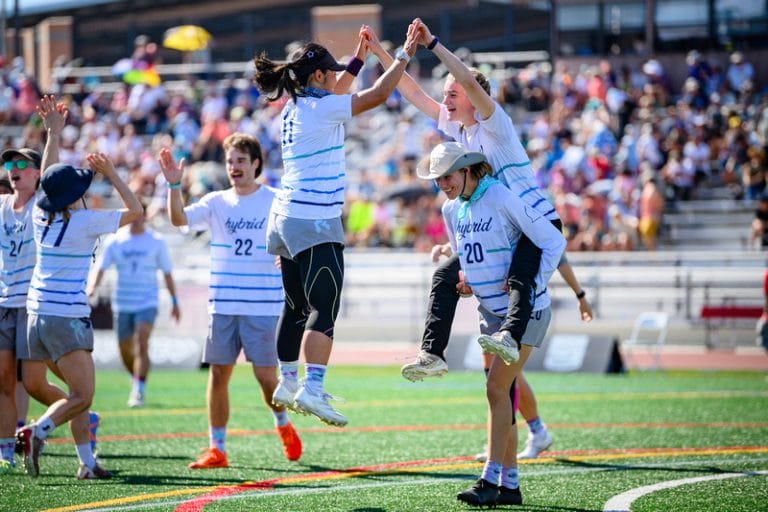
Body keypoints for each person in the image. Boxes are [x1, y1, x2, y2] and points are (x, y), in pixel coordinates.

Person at [362, 21, 580, 380]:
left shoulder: (496, 125)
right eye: (445, 95)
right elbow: (413, 94)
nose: (444, 101)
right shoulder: (458, 129)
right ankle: (433, 354)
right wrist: (386, 53)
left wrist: (432, 43)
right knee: (446, 277)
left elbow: (465, 80)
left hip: (532, 221)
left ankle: (510, 337)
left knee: (520, 279)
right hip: (501, 226)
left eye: (451, 95)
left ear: (473, 96)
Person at [252, 24, 418, 427]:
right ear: (319, 76)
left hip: (285, 217)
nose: (337, 77)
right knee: (324, 308)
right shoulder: (320, 107)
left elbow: (340, 88)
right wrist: (403, 56)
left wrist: (360, 57)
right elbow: (378, 95)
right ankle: (313, 387)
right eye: (332, 72)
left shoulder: (296, 106)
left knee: (294, 306)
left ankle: (288, 382)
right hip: (313, 218)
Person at [417, 142, 565, 507]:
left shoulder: (498, 196)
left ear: (468, 170)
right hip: (490, 314)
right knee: (503, 395)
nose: (443, 184)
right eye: (437, 179)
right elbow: (467, 260)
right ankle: (510, 487)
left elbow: (553, 239)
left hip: (524, 314)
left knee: (496, 391)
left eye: (447, 176)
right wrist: (468, 281)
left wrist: (533, 284)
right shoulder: (452, 209)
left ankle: (489, 480)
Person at [158, 132, 303, 469]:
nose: (234, 167)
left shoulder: (275, 199)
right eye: (230, 162)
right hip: (223, 304)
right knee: (219, 375)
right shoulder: (216, 202)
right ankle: (217, 449)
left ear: (255, 164)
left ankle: (283, 425)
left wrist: (289, 255)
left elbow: (296, 237)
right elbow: (179, 219)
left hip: (263, 306)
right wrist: (173, 186)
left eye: (241, 161)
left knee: (267, 380)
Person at [17, 151, 142, 479]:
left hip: (34, 316)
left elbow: (48, 181)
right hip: (66, 319)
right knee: (82, 396)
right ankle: (37, 431)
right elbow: (137, 210)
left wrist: (52, 136)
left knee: (75, 396)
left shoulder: (38, 217)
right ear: (74, 197)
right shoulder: (85, 222)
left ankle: (87, 463)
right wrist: (112, 173)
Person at [1, 97, 102, 474]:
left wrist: (52, 134)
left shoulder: (41, 209)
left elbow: (52, 176)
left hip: (34, 306)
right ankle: (18, 442)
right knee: (15, 382)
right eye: (8, 163)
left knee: (38, 385)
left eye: (20, 164)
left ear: (35, 174)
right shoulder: (4, 207)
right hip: (17, 305)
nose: (12, 169)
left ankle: (76, 434)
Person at [476, 270, 594, 463]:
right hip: (492, 302)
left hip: (516, 303)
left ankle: (508, 442)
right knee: (498, 373)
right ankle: (532, 432)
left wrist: (580, 296)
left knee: (503, 378)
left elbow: (558, 254)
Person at [87, 202, 181, 408]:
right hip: (122, 303)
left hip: (147, 301)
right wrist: (91, 288)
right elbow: (100, 267)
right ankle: (137, 377)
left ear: (145, 215)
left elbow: (167, 273)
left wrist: (175, 301)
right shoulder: (115, 241)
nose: (136, 217)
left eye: (140, 213)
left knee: (141, 341)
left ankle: (138, 390)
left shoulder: (156, 241)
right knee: (124, 349)